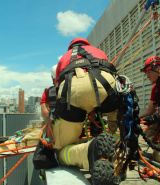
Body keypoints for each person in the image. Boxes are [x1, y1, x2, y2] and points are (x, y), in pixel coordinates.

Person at [51, 38, 121, 185]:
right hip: (104, 84)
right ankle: (116, 157)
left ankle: (89, 151)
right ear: (87, 44)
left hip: (73, 90)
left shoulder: (64, 58)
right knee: (119, 123)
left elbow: (58, 87)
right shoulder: (98, 51)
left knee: (62, 148)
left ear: (70, 48)